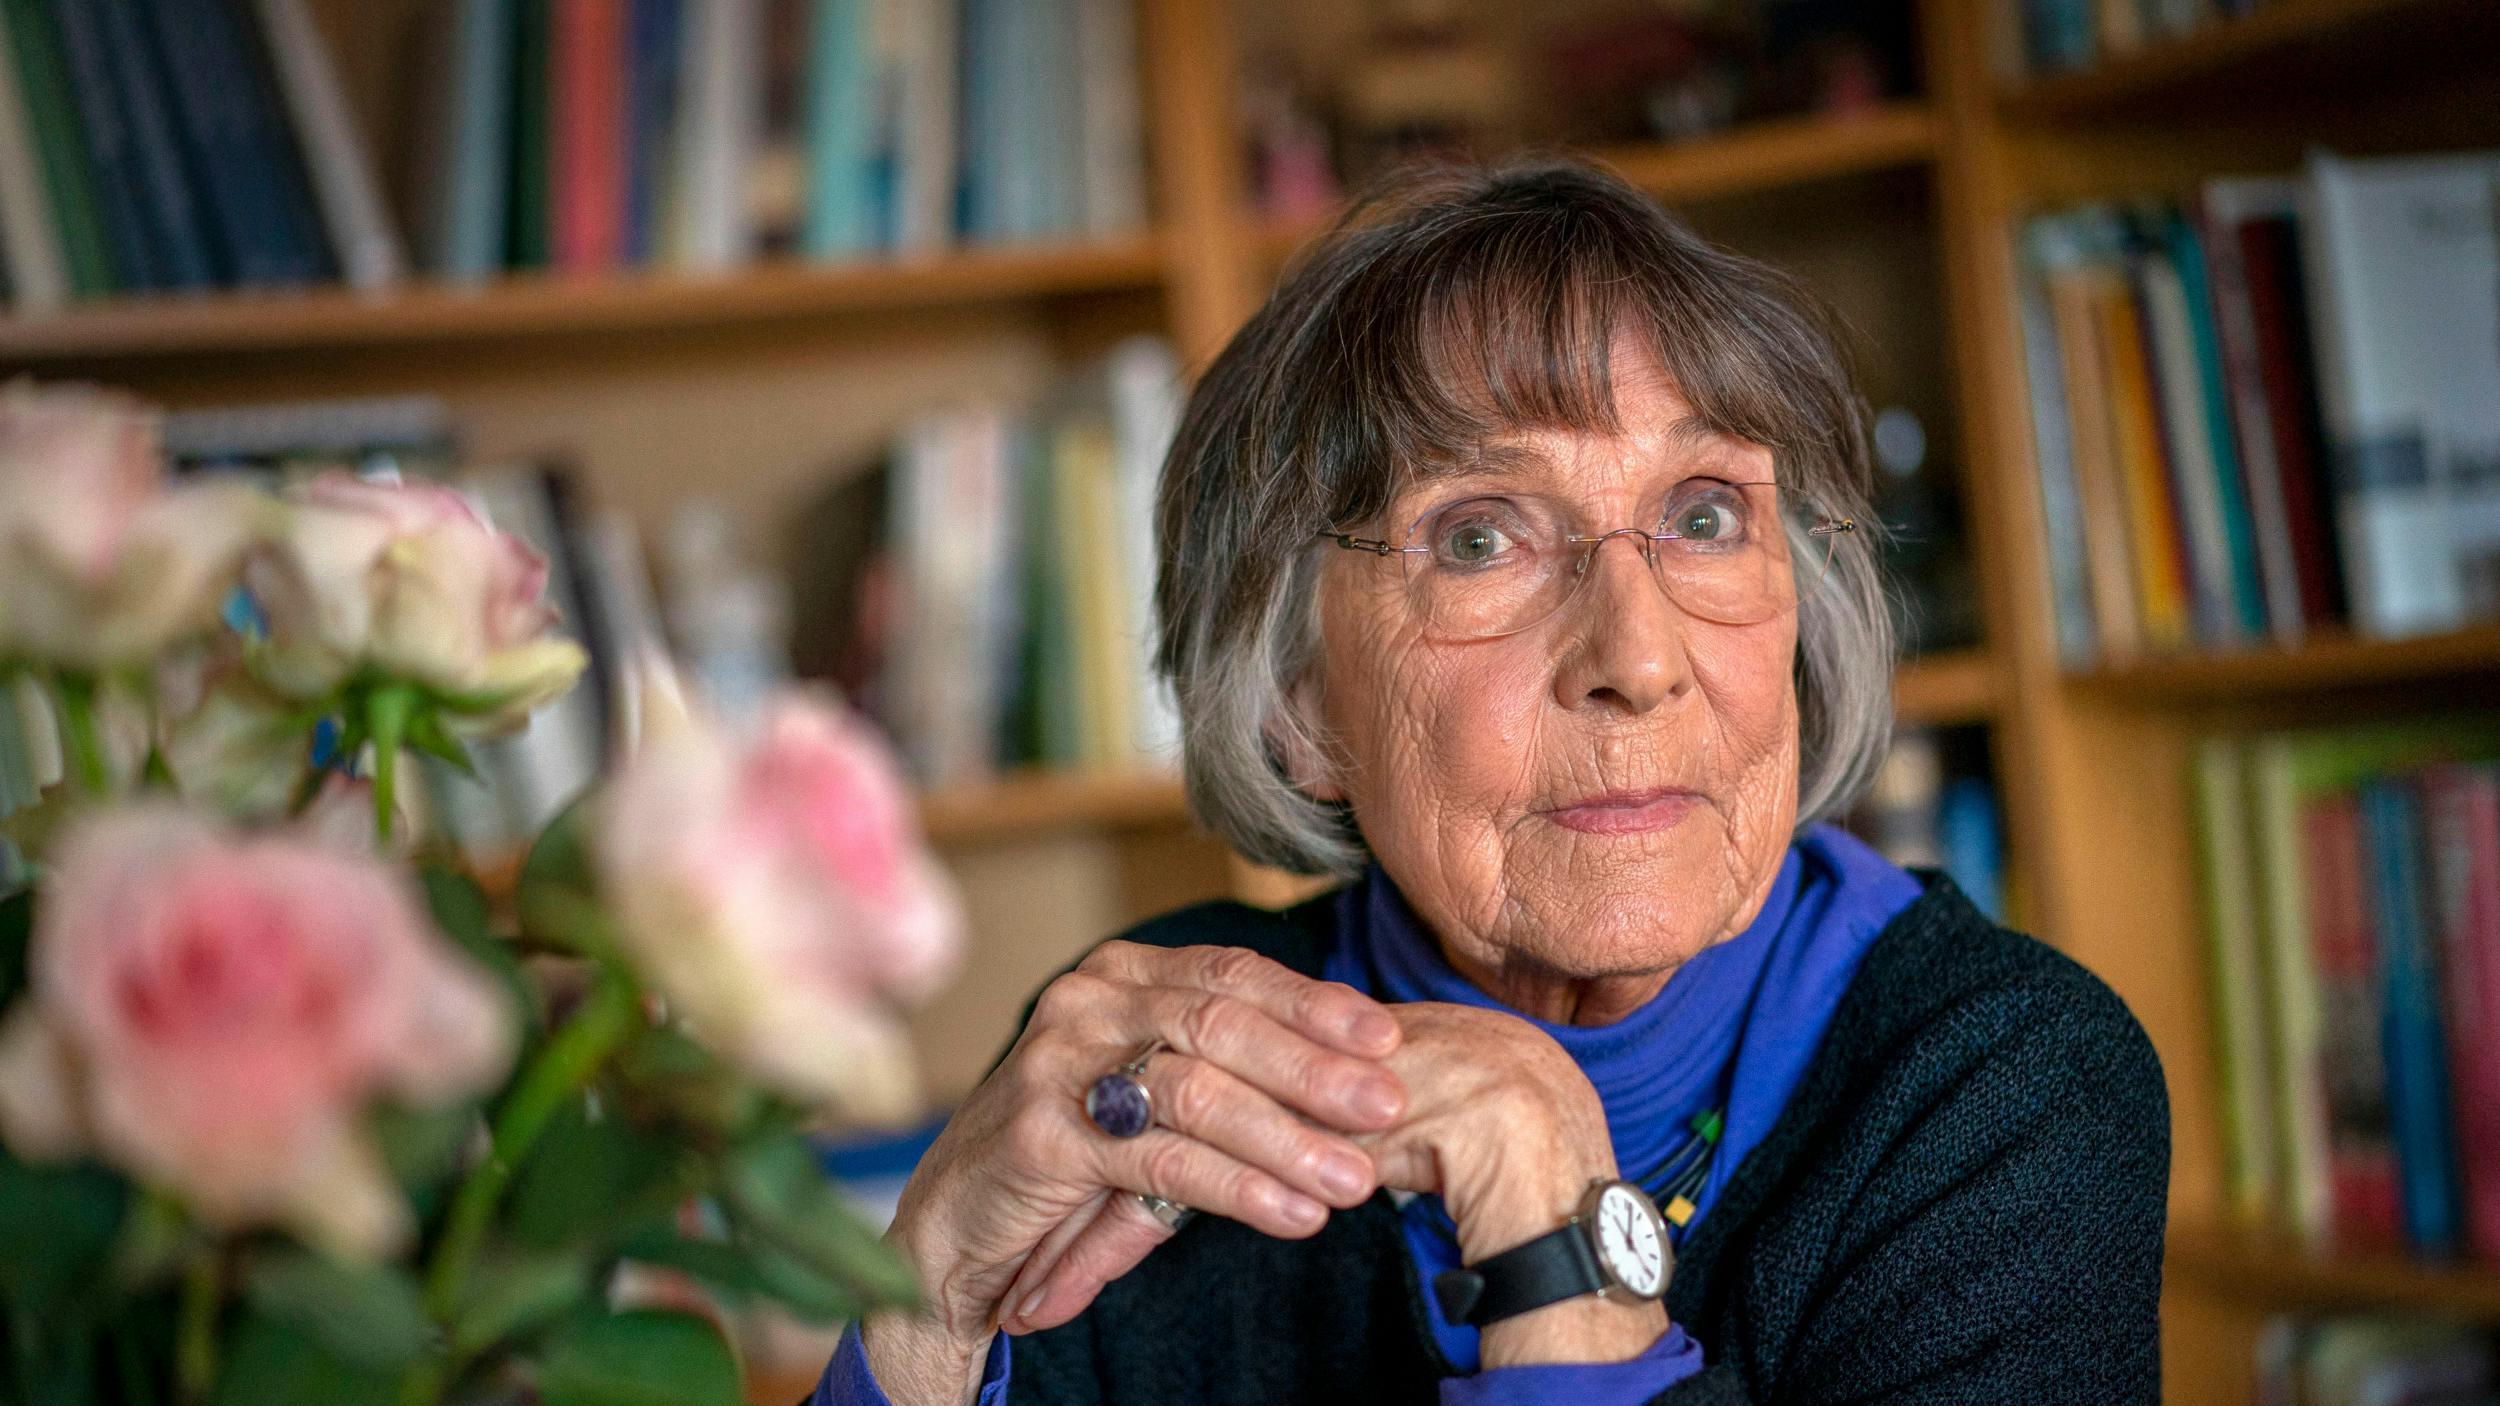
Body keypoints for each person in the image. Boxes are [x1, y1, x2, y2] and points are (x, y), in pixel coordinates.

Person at [813, 159, 2168, 1406]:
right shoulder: (1152, 1074)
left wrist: (1551, 1236)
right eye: (1479, 538)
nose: (1638, 658)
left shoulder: (2005, 1085)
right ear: (1298, 700)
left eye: (1704, 515)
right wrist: (923, 1304)